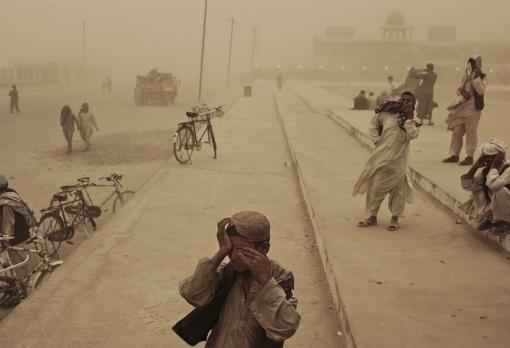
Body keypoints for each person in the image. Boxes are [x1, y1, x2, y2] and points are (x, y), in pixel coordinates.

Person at [175, 211, 300, 348]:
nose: (233, 256)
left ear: (263, 248)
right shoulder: (227, 272)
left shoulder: (280, 278)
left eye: (241, 250)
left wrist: (266, 282)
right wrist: (221, 252)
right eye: (230, 249)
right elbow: (191, 293)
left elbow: (285, 327)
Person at [353, 91, 420, 231]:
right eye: (404, 100)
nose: (406, 102)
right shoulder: (387, 113)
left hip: (399, 160)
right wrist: (377, 139)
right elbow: (373, 124)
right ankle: (372, 216)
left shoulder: (414, 120)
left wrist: (409, 119)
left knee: (398, 191)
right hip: (381, 157)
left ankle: (395, 218)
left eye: (409, 100)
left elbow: (412, 135)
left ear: (413, 103)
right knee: (375, 188)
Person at [443, 55, 488, 165]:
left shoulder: (482, 77)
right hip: (462, 105)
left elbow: (480, 91)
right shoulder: (466, 73)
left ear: (478, 64)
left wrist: (476, 79)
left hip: (473, 107)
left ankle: (469, 157)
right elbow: (461, 89)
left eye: (474, 63)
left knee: (471, 131)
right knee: (457, 131)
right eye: (470, 62)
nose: (472, 64)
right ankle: (455, 155)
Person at [459, 139, 510, 234]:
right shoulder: (486, 171)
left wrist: (494, 166)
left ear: (499, 157)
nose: (486, 160)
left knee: (499, 191)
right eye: (484, 157)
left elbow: (494, 185)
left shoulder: (508, 169)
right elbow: (467, 186)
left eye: (489, 157)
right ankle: (492, 218)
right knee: (478, 189)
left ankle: (506, 223)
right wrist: (476, 166)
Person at [0, 175, 36, 246]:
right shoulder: (11, 192)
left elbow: (8, 223)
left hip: (17, 238)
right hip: (24, 230)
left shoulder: (6, 203)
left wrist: (6, 240)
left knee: (21, 256)